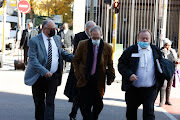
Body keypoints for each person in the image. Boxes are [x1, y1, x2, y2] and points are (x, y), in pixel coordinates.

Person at [118, 29, 174, 120]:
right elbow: (121, 65)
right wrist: (129, 74)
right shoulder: (130, 50)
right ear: (138, 39)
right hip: (133, 89)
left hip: (150, 89)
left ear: (150, 40)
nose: (144, 40)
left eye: (146, 38)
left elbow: (161, 63)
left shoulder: (155, 50)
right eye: (142, 38)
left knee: (149, 113)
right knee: (131, 113)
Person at [24, 19, 74, 120]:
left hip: (53, 76)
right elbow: (33, 60)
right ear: (45, 29)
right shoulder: (34, 41)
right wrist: (44, 71)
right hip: (38, 77)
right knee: (39, 103)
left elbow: (60, 53)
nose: (54, 31)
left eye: (55, 28)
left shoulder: (57, 38)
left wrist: (75, 58)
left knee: (50, 102)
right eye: (52, 29)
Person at [73, 25, 115, 120]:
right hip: (85, 78)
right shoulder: (83, 44)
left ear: (101, 36)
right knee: (84, 105)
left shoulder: (107, 47)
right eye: (93, 37)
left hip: (98, 80)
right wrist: (78, 74)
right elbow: (76, 60)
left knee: (98, 105)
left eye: (98, 37)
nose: (95, 39)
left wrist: (111, 76)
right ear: (90, 35)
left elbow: (110, 63)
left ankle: (93, 117)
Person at [64, 21, 96, 120]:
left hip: (92, 71)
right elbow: (79, 51)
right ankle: (74, 112)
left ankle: (85, 114)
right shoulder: (79, 36)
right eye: (92, 29)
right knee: (78, 93)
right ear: (87, 29)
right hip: (79, 70)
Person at [159, 38, 178, 107]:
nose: (168, 47)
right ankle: (161, 101)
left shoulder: (173, 51)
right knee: (163, 85)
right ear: (164, 45)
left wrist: (176, 62)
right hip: (164, 71)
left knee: (169, 86)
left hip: (171, 70)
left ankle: (167, 100)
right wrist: (165, 51)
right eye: (166, 45)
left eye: (169, 45)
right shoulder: (161, 51)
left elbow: (175, 59)